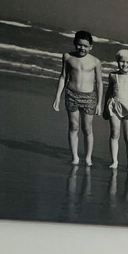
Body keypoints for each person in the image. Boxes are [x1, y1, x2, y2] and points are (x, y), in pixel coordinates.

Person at [51, 30, 104, 166]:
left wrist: (99, 103)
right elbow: (63, 77)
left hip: (89, 97)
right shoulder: (68, 57)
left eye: (86, 46)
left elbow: (99, 82)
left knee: (87, 128)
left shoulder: (95, 62)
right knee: (73, 126)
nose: (82, 48)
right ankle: (75, 157)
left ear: (91, 46)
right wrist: (57, 97)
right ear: (75, 44)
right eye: (80, 45)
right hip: (71, 94)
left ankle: (88, 158)